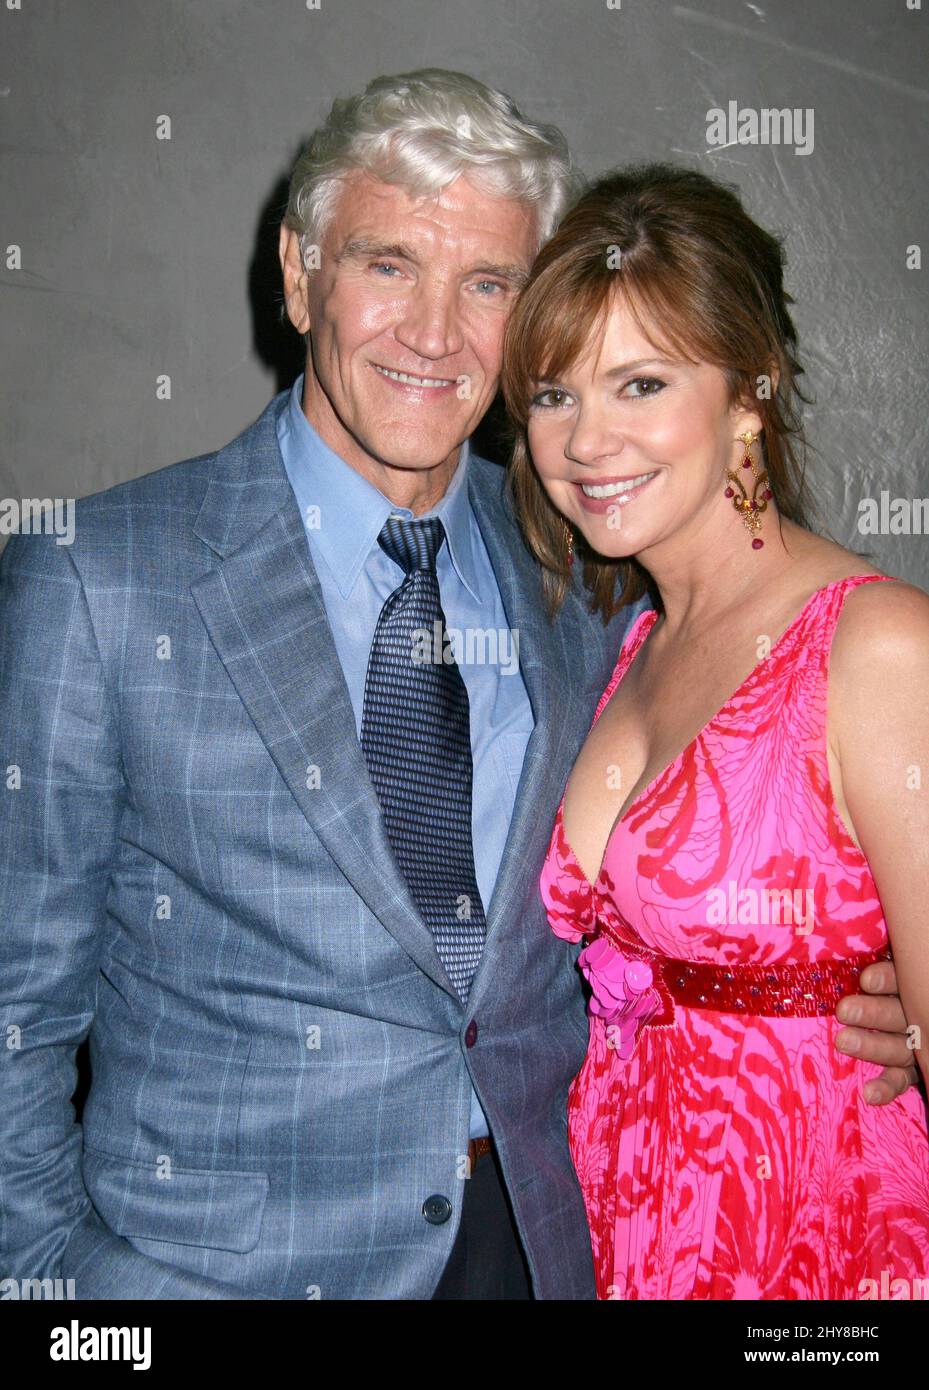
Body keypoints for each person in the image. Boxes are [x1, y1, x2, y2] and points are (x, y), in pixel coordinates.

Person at [0, 75, 916, 1302]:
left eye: (486, 284)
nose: (433, 332)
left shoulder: (582, 575)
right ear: (297, 272)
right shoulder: (99, 577)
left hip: (553, 1248)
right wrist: (59, 1302)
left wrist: (864, 990)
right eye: (387, 265)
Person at [500, 162, 929, 1299]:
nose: (585, 440)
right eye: (553, 394)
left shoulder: (875, 647)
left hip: (814, 1249)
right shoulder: (626, 647)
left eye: (638, 385)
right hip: (615, 1230)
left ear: (751, 390)